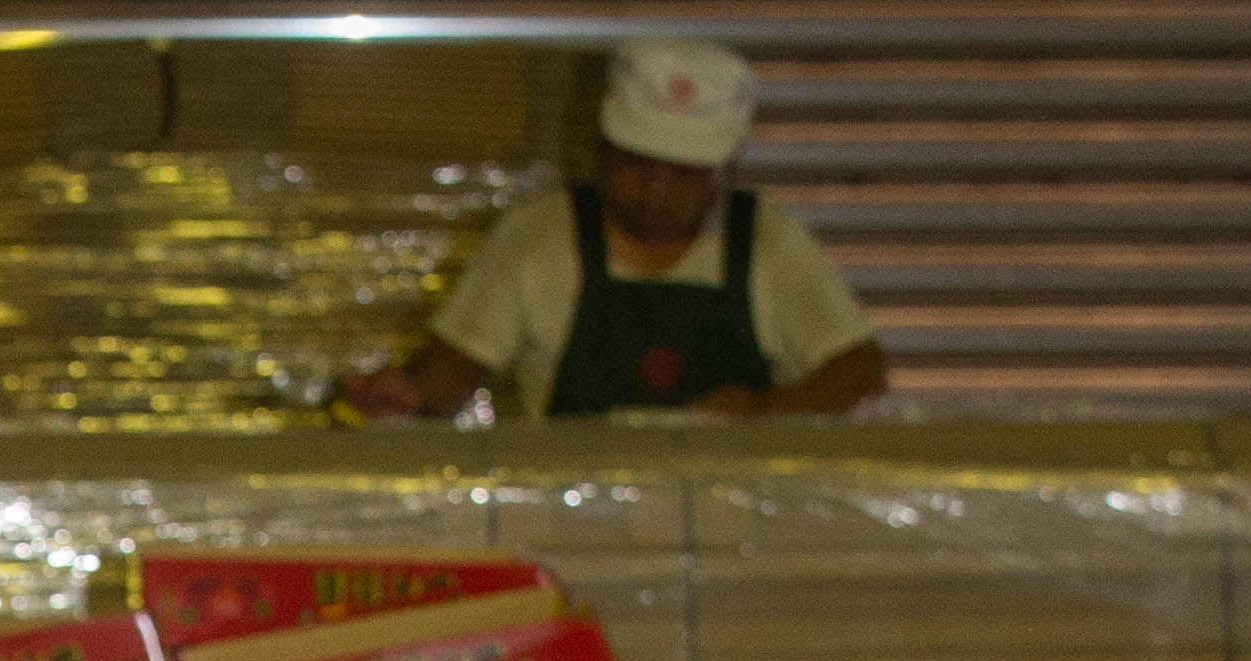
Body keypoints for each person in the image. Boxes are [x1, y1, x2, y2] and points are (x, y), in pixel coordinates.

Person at [342, 39, 886, 427]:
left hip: (733, 546)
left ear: (727, 167)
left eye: (684, 173)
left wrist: (762, 411)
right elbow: (456, 366)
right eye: (638, 163)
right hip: (571, 535)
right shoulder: (537, 237)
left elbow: (859, 372)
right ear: (602, 145)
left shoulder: (770, 245)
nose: (656, 189)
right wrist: (411, 390)